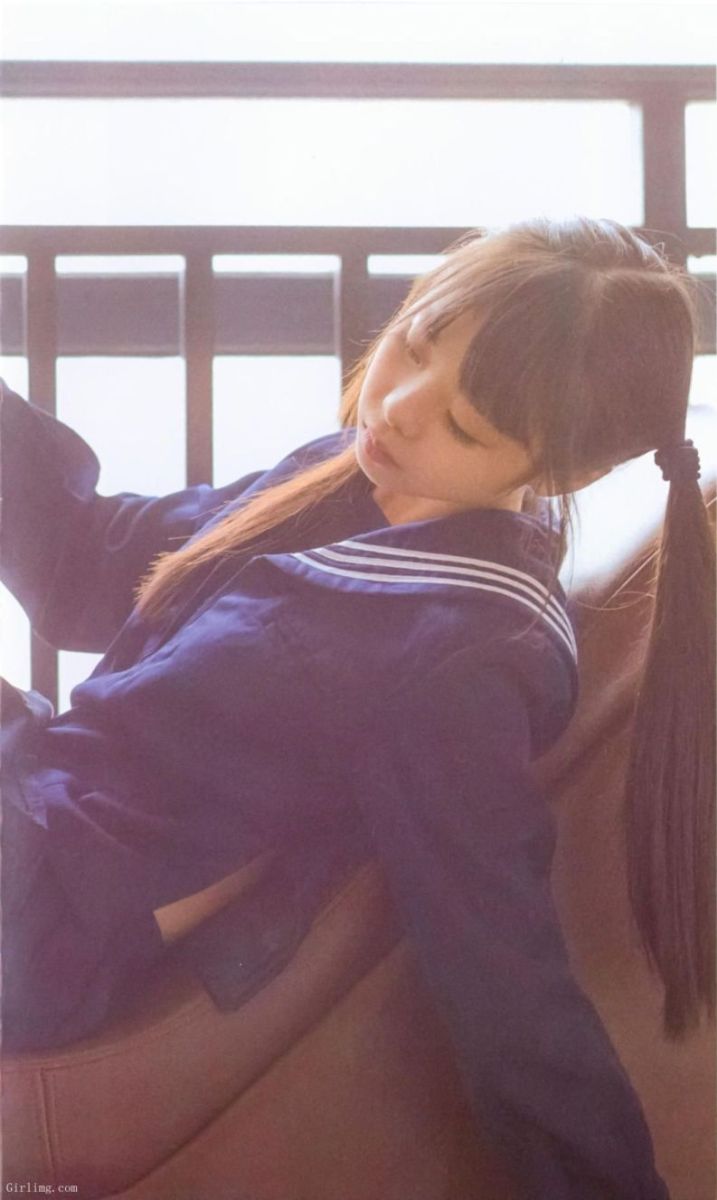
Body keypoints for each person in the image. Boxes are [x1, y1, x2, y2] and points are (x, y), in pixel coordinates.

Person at [1, 215, 714, 1199]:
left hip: (42, 920)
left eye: (466, 424)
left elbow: (506, 981)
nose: (400, 408)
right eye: (415, 343)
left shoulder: (464, 661)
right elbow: (87, 565)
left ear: (558, 471)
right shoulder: (349, 474)